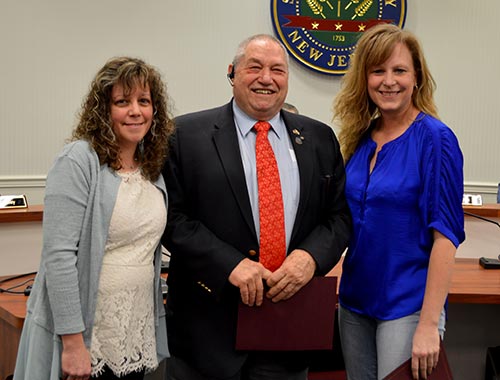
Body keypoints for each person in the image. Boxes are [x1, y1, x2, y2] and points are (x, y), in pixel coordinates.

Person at [162, 34, 351, 380]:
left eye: (277, 69)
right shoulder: (185, 136)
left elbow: (338, 217)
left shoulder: (320, 138)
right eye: (255, 67)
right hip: (207, 333)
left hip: (288, 328)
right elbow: (172, 220)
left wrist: (309, 258)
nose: (267, 78)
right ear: (232, 73)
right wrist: (229, 264)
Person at [13, 56, 174, 380]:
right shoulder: (78, 159)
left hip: (133, 329)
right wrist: (73, 343)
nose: (135, 111)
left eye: (144, 101)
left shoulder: (150, 167)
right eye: (122, 101)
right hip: (87, 334)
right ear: (103, 110)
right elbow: (58, 257)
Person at [333, 24, 465, 380]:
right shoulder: (359, 139)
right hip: (354, 302)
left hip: (407, 305)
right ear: (365, 79)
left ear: (417, 78)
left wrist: (427, 324)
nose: (388, 81)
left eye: (399, 70)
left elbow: (446, 237)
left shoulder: (436, 139)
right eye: (378, 71)